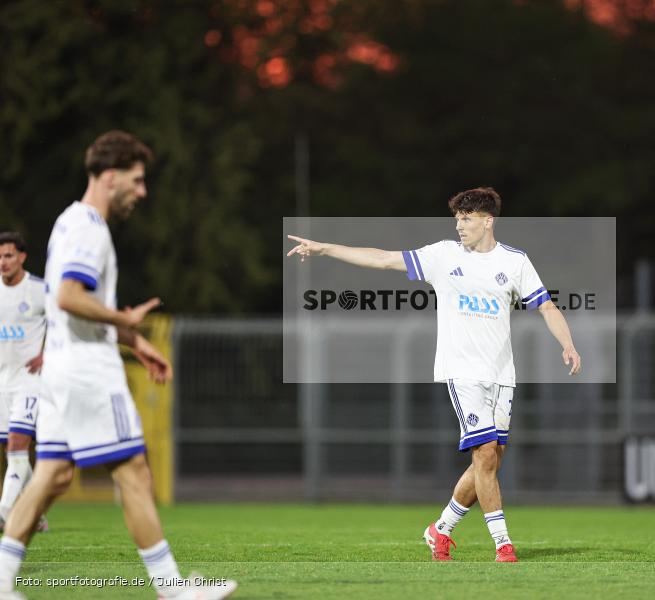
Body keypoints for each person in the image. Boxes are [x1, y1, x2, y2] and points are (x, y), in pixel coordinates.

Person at [0, 131, 237, 600]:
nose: (142, 191)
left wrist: (133, 341)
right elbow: (69, 296)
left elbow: (65, 300)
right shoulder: (89, 227)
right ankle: (172, 588)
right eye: (137, 180)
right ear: (111, 177)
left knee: (53, 474)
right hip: (89, 371)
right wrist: (123, 320)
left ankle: (2, 581)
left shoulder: (69, 220)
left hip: (62, 369)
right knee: (132, 469)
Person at [287, 187, 581, 562]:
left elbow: (546, 306)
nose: (459, 225)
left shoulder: (515, 261)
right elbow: (382, 259)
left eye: (467, 218)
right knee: (486, 453)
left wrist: (567, 344)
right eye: (457, 218)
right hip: (463, 372)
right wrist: (326, 248)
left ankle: (440, 528)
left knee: (489, 461)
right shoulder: (442, 256)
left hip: (502, 375)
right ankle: (503, 544)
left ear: (487, 221)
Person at [0, 232, 48, 532]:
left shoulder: (39, 290)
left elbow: (63, 323)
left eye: (8, 255)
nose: (2, 262)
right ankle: (37, 510)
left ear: (22, 257)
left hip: (30, 381)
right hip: (2, 381)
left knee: (18, 446)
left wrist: (47, 354)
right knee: (11, 452)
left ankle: (4, 513)